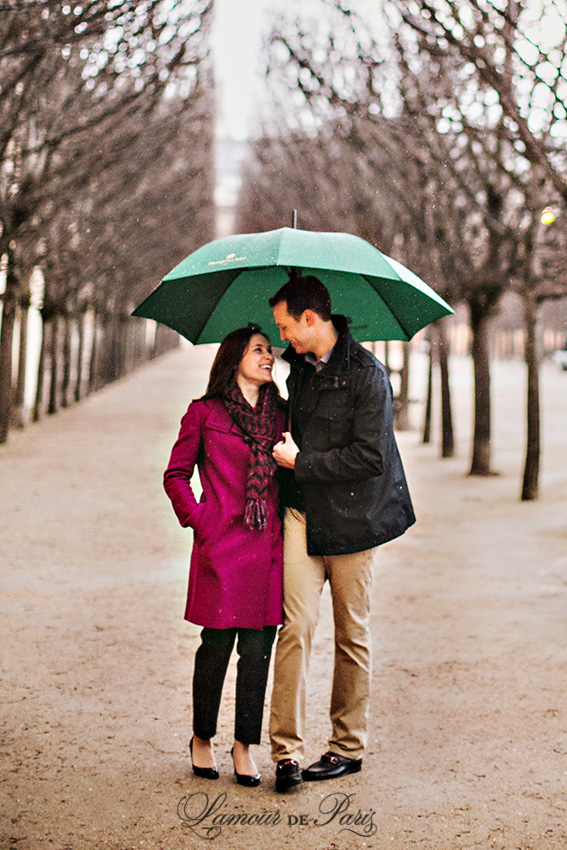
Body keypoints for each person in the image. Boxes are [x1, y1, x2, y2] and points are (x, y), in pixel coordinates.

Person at [267, 276, 416, 792]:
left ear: (311, 320)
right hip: (303, 517)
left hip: (355, 523)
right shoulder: (300, 371)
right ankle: (285, 752)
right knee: (295, 629)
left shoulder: (368, 374)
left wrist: (302, 461)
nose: (281, 337)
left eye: (285, 326)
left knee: (351, 635)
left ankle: (346, 748)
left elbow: (370, 457)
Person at [163, 326, 286, 787]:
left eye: (270, 350)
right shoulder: (204, 413)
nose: (269, 356)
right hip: (221, 547)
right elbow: (176, 474)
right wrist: (200, 519)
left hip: (267, 549)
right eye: (259, 350)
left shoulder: (283, 416)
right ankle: (201, 737)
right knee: (215, 648)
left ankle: (243, 746)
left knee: (257, 652)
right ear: (235, 357)